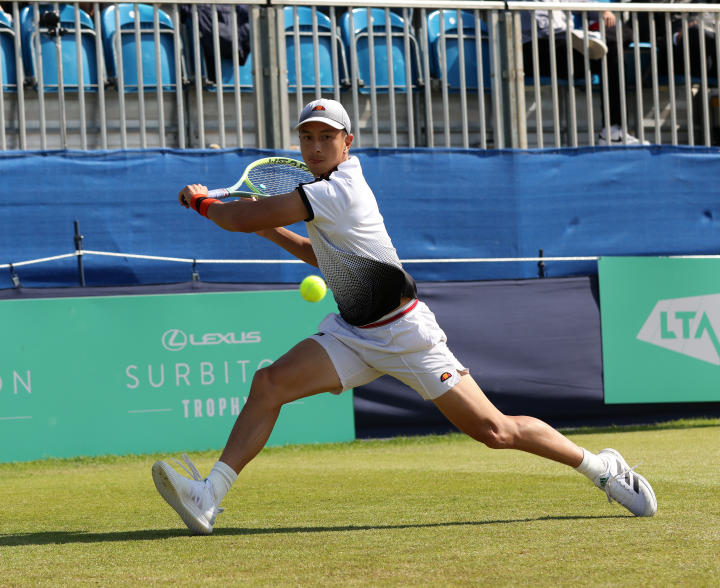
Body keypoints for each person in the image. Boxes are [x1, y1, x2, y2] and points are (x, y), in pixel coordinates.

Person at [153, 98, 657, 535]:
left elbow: (237, 217)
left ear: (346, 142)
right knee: (269, 384)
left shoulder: (338, 190)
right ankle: (208, 495)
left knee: (495, 431)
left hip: (406, 333)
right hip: (352, 333)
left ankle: (602, 469)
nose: (313, 147)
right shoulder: (320, 194)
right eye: (306, 137)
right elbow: (318, 255)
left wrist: (201, 202)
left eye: (325, 137)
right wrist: (265, 228)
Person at [521, 0, 649, 145]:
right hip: (533, 47)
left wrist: (602, 11)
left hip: (565, 44)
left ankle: (612, 131)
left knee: (611, 54)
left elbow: (582, 3)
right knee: (578, 45)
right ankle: (593, 42)